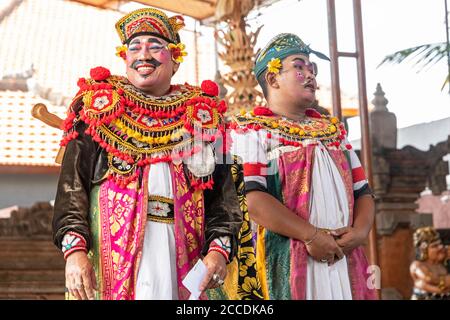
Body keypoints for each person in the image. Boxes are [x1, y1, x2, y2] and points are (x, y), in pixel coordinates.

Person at [52, 7, 243, 300]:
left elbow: (223, 200)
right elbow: (71, 188)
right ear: (125, 57)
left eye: (156, 47)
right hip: (113, 262)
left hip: (184, 257)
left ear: (175, 60)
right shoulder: (97, 109)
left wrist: (218, 252)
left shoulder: (203, 117)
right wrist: (74, 253)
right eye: (135, 47)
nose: (144, 55)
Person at [229, 33, 377, 299]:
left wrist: (360, 232)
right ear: (273, 79)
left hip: (343, 254)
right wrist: (311, 236)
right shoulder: (251, 131)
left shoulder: (334, 133)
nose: (310, 75)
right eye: (299, 66)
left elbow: (363, 192)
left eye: (312, 69)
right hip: (289, 258)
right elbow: (254, 198)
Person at [410, 227, 450, 300]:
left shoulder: (442, 263)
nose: (440, 247)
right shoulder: (417, 266)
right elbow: (429, 278)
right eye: (435, 246)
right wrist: (445, 283)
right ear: (424, 250)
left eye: (440, 244)